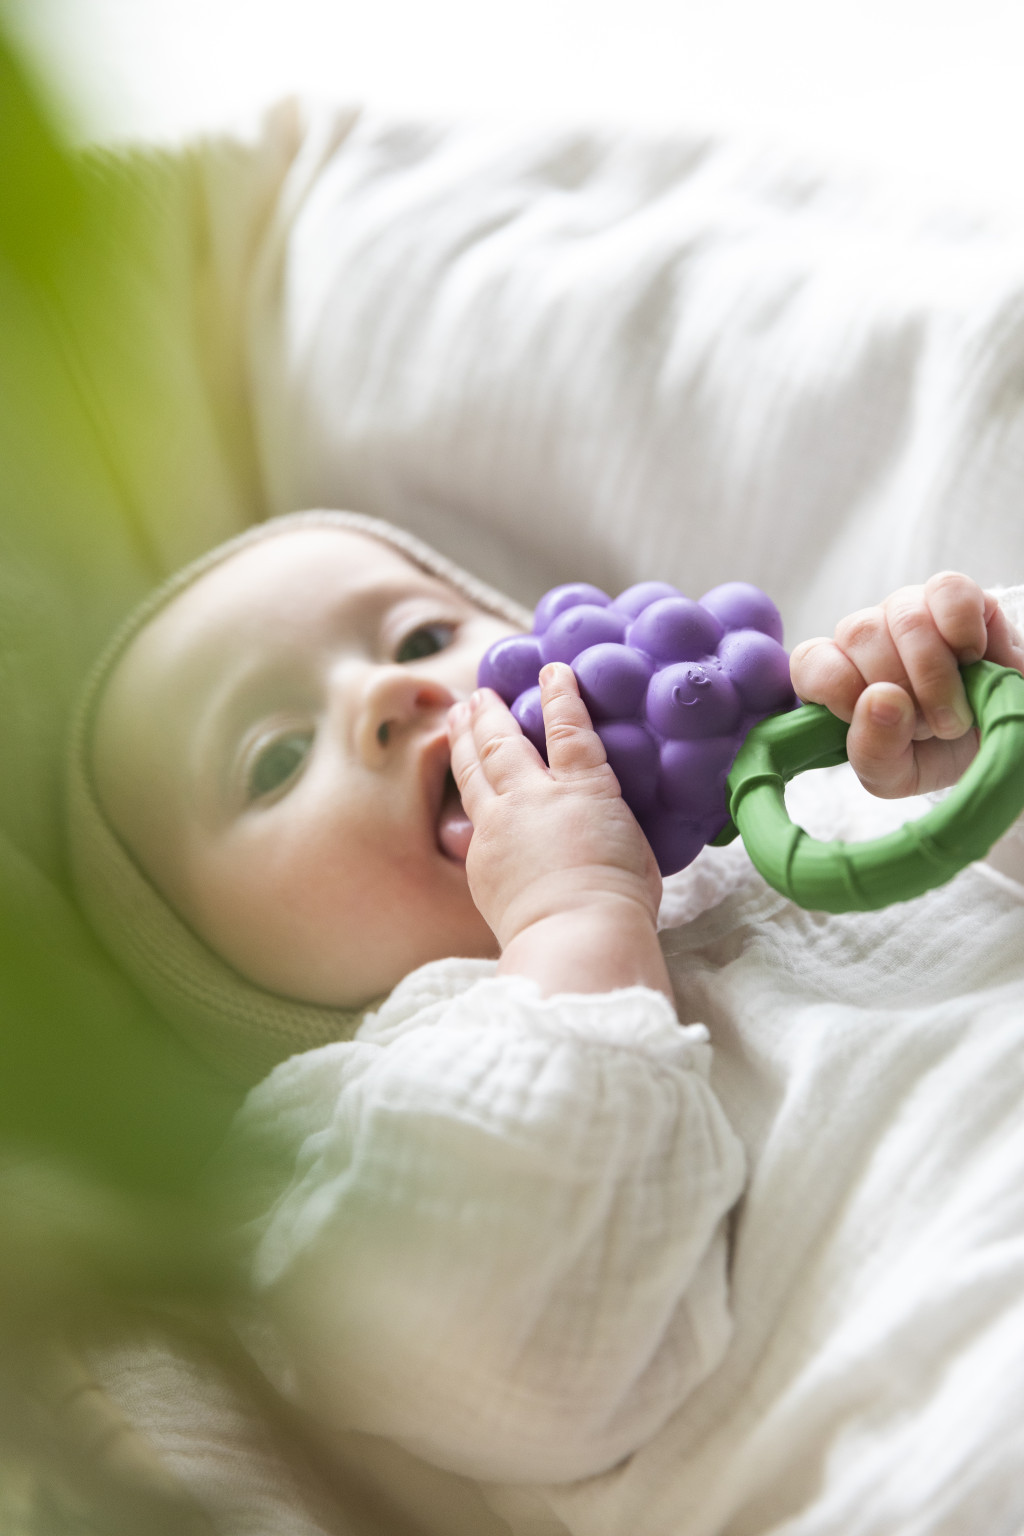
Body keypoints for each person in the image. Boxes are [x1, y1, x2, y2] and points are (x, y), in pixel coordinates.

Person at [66, 509, 1024, 1534]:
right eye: (274, 760)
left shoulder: (818, 805)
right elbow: (522, 1348)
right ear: (222, 978)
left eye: (422, 638)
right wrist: (571, 923)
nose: (388, 693)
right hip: (938, 1448)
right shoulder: (330, 1140)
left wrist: (958, 699)